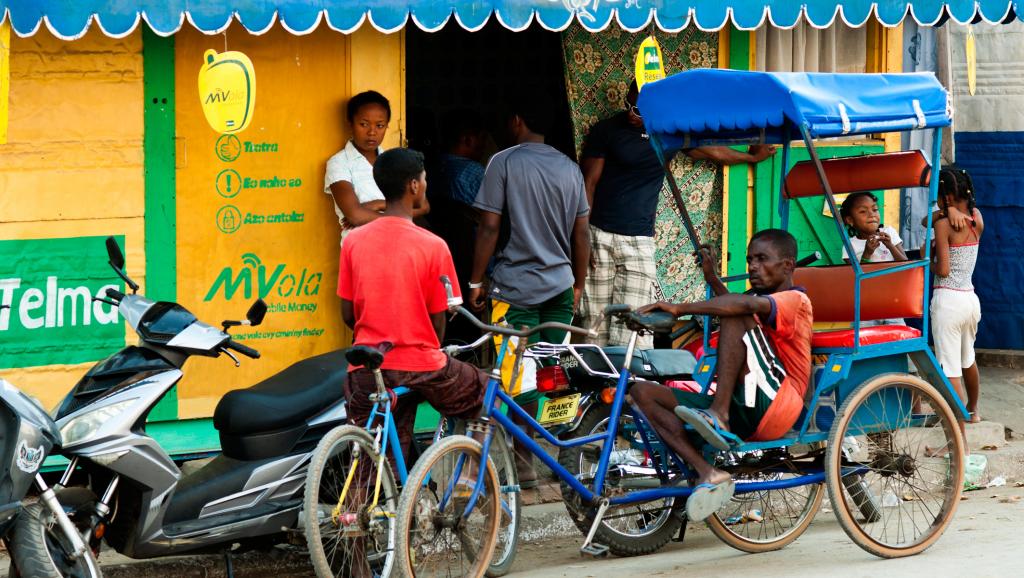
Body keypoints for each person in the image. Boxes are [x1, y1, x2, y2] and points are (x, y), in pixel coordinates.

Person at [630, 229, 812, 521]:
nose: (752, 266)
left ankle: (719, 413)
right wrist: (712, 278)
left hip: (778, 405)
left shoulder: (796, 300)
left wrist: (678, 308)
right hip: (748, 404)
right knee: (642, 392)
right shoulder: (754, 300)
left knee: (735, 311)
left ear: (788, 265)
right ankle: (707, 471)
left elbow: (740, 308)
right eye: (750, 259)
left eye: (762, 259)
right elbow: (739, 306)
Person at [579, 80, 777, 348]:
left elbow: (714, 151)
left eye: (638, 110)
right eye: (629, 106)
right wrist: (584, 238)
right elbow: (588, 183)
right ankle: (596, 384)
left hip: (639, 240)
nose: (630, 114)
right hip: (599, 234)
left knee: (635, 323)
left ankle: (626, 386)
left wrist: (752, 158)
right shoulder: (607, 130)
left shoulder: (669, 133)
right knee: (595, 321)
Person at [468, 96, 591, 488]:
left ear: (517, 120)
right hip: (559, 287)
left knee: (517, 377)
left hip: (516, 289)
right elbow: (582, 232)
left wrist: (474, 282)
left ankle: (522, 465)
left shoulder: (503, 162)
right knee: (554, 374)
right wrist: (579, 282)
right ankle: (557, 458)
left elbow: (489, 227)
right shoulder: (570, 169)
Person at [338, 147, 486, 462]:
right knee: (487, 394)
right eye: (425, 179)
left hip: (367, 366)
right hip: (420, 366)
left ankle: (356, 510)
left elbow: (348, 314)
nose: (426, 184)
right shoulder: (433, 246)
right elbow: (438, 322)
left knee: (374, 462)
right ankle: (472, 473)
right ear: (414, 186)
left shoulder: (353, 241)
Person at [324, 91, 428, 242]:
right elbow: (355, 216)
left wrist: (376, 205)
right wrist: (400, 213)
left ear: (386, 126)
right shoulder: (339, 163)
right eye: (364, 124)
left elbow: (423, 206)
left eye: (379, 125)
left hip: (400, 245)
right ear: (350, 123)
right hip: (362, 249)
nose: (372, 132)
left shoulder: (395, 159)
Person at [931, 167, 984, 429]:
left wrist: (923, 263)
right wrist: (947, 209)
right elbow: (927, 220)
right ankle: (973, 411)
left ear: (947, 197)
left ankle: (957, 440)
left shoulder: (943, 225)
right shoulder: (977, 217)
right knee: (967, 360)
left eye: (939, 197)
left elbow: (943, 270)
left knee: (949, 371)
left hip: (948, 302)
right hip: (970, 300)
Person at [839, 192, 909, 264]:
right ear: (850, 220)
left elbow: (905, 264)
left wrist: (890, 246)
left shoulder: (889, 232)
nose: (872, 214)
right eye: (863, 211)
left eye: (875, 209)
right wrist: (867, 254)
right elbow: (854, 274)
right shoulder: (850, 245)